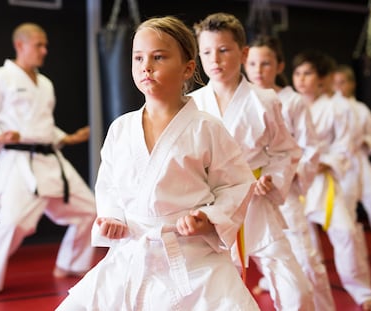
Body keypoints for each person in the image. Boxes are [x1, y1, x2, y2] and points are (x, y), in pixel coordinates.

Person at [55, 16, 261, 310]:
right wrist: (113, 217)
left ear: (188, 68)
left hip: (192, 257)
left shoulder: (207, 127)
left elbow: (236, 184)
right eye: (138, 58)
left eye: (158, 57)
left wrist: (208, 218)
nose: (145, 66)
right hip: (132, 251)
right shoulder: (121, 128)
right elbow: (110, 184)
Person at [189, 13, 314, 311]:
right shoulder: (191, 104)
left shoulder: (266, 100)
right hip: (211, 209)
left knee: (295, 289)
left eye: (223, 50)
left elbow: (286, 151)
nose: (214, 59)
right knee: (219, 296)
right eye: (206, 52)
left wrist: (272, 177)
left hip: (256, 203)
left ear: (243, 53)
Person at [0, 23, 97, 301]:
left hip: (51, 161)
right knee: (11, 222)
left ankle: (69, 264)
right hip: (19, 163)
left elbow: (44, 128)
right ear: (20, 45)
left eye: (45, 45)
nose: (44, 50)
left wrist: (67, 138)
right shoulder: (0, 78)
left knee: (89, 211)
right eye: (39, 45)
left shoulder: (45, 84)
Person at [244, 35, 335, 311]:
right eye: (252, 63)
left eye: (266, 63)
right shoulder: (240, 99)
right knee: (253, 258)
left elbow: (310, 147)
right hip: (248, 192)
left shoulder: (292, 101)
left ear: (279, 65)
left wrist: (286, 177)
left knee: (306, 259)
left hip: (283, 191)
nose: (258, 70)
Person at [292, 49, 371, 311]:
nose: (301, 79)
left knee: (346, 232)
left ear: (320, 78)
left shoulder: (336, 108)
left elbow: (345, 147)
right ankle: (308, 295)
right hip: (293, 183)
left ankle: (362, 291)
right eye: (297, 73)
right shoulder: (286, 104)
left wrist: (323, 163)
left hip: (323, 182)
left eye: (308, 73)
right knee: (297, 245)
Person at [333, 64, 371, 254]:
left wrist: (366, 142)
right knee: (346, 209)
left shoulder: (361, 109)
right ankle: (351, 253)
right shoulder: (329, 108)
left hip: (361, 162)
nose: (339, 87)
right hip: (341, 164)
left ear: (352, 84)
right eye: (335, 83)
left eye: (343, 82)